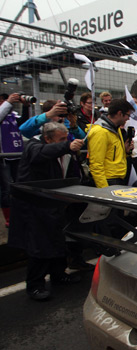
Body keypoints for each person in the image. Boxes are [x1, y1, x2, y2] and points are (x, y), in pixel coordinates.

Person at [9, 122, 85, 300]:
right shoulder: (34, 147)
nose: (65, 142)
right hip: (35, 205)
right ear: (47, 138)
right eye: (61, 139)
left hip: (54, 203)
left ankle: (59, 274)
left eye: (66, 139)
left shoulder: (60, 150)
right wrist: (66, 146)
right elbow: (42, 154)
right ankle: (35, 285)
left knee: (57, 241)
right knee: (39, 246)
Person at [87, 99, 134, 188]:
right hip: (108, 181)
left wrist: (126, 152)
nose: (128, 119)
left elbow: (112, 155)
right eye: (128, 115)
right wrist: (104, 190)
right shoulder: (100, 132)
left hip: (118, 178)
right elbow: (96, 165)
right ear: (120, 113)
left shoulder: (116, 129)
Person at [0, 93, 24, 227]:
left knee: (20, 185)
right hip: (3, 157)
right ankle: (9, 218)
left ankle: (20, 213)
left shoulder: (14, 116)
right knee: (6, 188)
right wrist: (8, 102)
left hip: (18, 155)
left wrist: (25, 107)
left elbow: (24, 124)